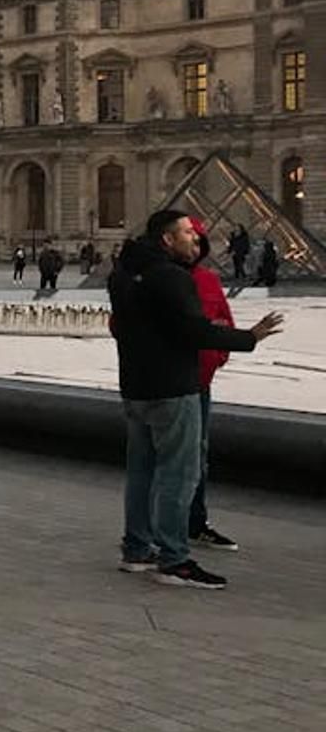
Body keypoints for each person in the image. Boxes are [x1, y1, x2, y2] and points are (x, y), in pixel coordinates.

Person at [108, 208, 280, 590]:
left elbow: (123, 327)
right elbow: (194, 332)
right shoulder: (172, 277)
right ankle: (173, 559)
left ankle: (136, 549)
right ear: (167, 239)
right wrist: (248, 338)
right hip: (173, 388)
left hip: (135, 388)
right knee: (179, 475)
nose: (196, 239)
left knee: (141, 472)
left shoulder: (122, 274)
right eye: (188, 232)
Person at [185, 219, 240, 553]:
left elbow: (225, 322)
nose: (193, 247)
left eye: (198, 242)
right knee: (168, 460)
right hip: (167, 383)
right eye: (188, 239)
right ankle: (155, 532)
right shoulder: (161, 280)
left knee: (198, 456)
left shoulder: (208, 279)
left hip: (200, 382)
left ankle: (195, 523)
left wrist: (216, 356)